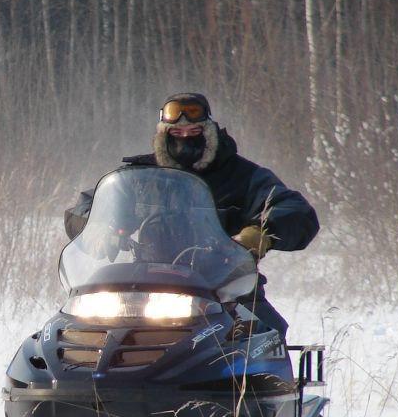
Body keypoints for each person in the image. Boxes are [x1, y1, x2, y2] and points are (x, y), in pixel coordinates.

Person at [65, 92, 319, 337]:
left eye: (194, 132)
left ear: (208, 132)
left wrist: (259, 233)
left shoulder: (243, 176)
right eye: (176, 133)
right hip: (145, 286)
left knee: (267, 333)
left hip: (226, 286)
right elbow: (90, 204)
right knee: (83, 329)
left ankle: (268, 381)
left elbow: (294, 209)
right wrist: (99, 227)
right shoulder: (141, 178)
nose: (185, 138)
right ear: (164, 136)